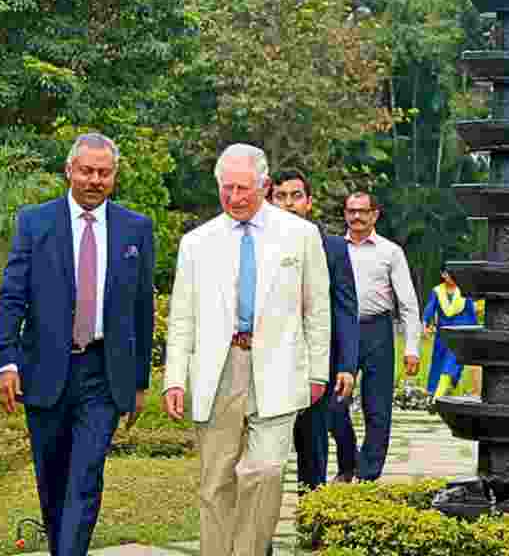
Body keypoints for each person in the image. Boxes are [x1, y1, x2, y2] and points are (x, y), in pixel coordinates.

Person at [162, 144, 331, 556]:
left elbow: (318, 309)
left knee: (267, 472)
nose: (235, 197)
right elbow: (182, 317)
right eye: (227, 188)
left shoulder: (301, 235)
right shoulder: (196, 242)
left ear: (265, 186)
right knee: (216, 480)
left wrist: (318, 372)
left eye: (244, 188)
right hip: (218, 371)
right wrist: (173, 379)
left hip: (278, 367)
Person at [0, 133, 155, 556]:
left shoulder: (136, 228)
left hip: (102, 374)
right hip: (44, 371)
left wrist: (139, 381)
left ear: (114, 176)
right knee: (52, 479)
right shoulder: (34, 222)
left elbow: (142, 307)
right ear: (69, 171)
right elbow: (13, 296)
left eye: (104, 172)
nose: (95, 180)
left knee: (85, 477)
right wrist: (7, 362)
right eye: (87, 170)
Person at [267, 169, 359, 492]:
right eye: (280, 196)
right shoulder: (260, 244)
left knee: (313, 448)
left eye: (296, 196)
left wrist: (347, 365)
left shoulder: (333, 248)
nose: (289, 204)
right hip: (271, 362)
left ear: (309, 202)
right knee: (267, 454)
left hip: (317, 364)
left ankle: (311, 519)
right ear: (270, 200)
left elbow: (347, 310)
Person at [331, 191, 421, 482]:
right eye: (351, 211)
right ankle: (348, 463)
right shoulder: (333, 248)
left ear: (375, 215)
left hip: (378, 331)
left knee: (377, 406)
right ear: (345, 214)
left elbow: (407, 303)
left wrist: (412, 348)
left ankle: (368, 473)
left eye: (362, 211)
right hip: (342, 331)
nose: (356, 217)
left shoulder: (390, 252)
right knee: (333, 404)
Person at [422, 267, 478, 398]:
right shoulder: (437, 291)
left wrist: (476, 333)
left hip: (461, 334)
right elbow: (430, 308)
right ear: (442, 274)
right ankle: (434, 392)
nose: (451, 276)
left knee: (452, 361)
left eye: (454, 273)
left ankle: (438, 396)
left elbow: (471, 311)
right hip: (443, 334)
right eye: (447, 273)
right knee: (438, 362)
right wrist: (425, 324)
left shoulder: (464, 290)